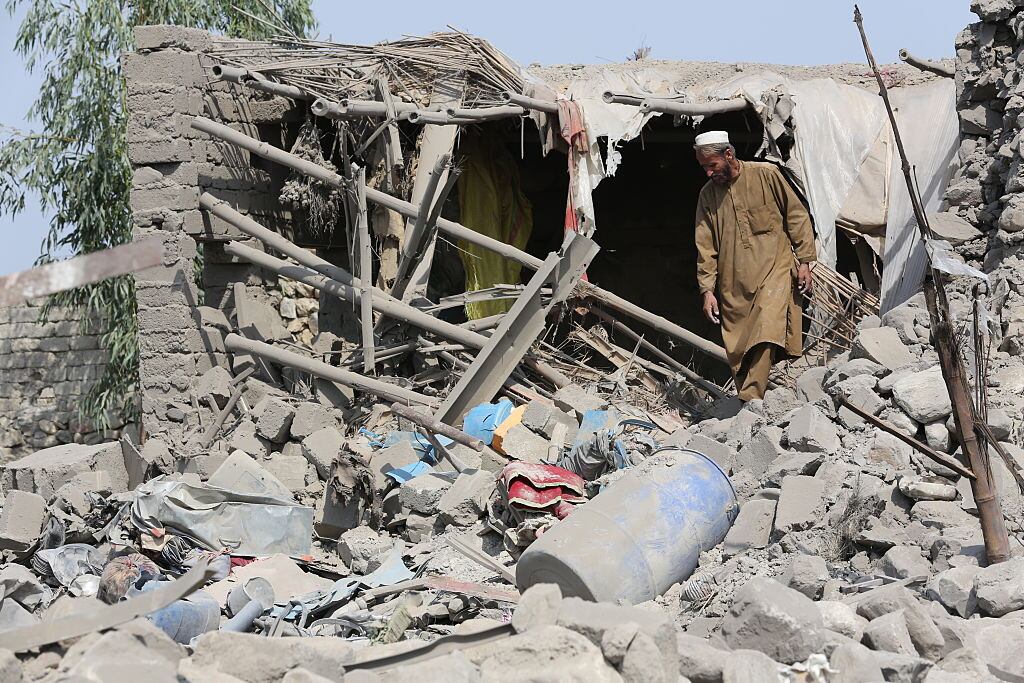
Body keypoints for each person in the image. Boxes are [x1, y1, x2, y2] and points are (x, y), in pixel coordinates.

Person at [693, 131, 817, 401]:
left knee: (766, 328)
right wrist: (707, 290)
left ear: (729, 154)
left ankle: (750, 398)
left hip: (776, 269)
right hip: (733, 283)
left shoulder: (766, 174)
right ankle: (750, 409)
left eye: (712, 165)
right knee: (739, 348)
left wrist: (805, 260)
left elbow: (796, 215)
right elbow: (706, 247)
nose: (708, 172)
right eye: (704, 167)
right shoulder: (707, 196)